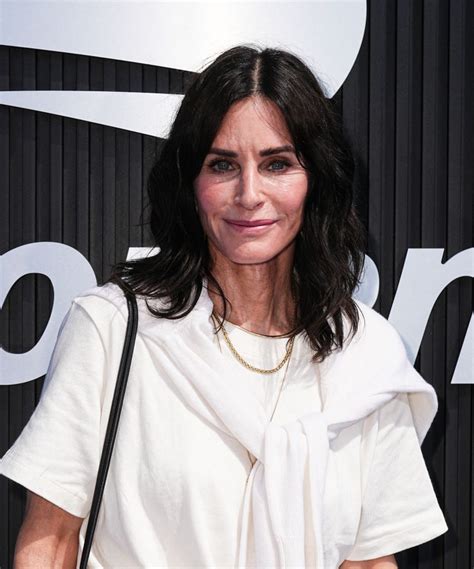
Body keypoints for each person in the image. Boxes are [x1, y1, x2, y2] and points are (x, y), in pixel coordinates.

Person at [0, 45, 448, 569]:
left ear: (316, 181)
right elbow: (51, 541)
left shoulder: (365, 353)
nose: (249, 193)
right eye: (222, 165)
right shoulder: (114, 328)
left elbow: (369, 562)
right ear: (191, 184)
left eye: (277, 164)